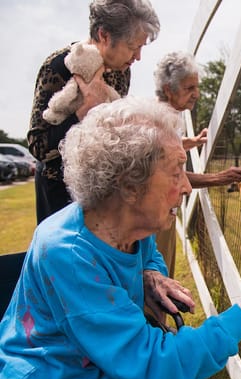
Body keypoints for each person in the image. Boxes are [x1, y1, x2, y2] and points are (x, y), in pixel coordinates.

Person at [0, 96, 241, 379]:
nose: (186, 187)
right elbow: (155, 367)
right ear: (129, 186)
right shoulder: (68, 253)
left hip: (105, 372)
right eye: (175, 173)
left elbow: (150, 254)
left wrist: (151, 271)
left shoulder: (132, 224)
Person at [27, 0, 160, 224]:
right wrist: (83, 112)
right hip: (59, 194)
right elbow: (37, 145)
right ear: (104, 35)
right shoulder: (57, 67)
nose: (138, 57)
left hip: (102, 189)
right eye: (133, 47)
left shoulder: (122, 71)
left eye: (141, 47)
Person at [153, 51, 241, 277]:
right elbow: (171, 175)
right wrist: (220, 178)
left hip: (162, 211)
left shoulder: (166, 116)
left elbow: (162, 150)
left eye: (197, 87)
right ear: (168, 89)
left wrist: (189, 142)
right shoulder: (160, 121)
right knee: (158, 277)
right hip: (155, 215)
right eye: (189, 88)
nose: (196, 94)